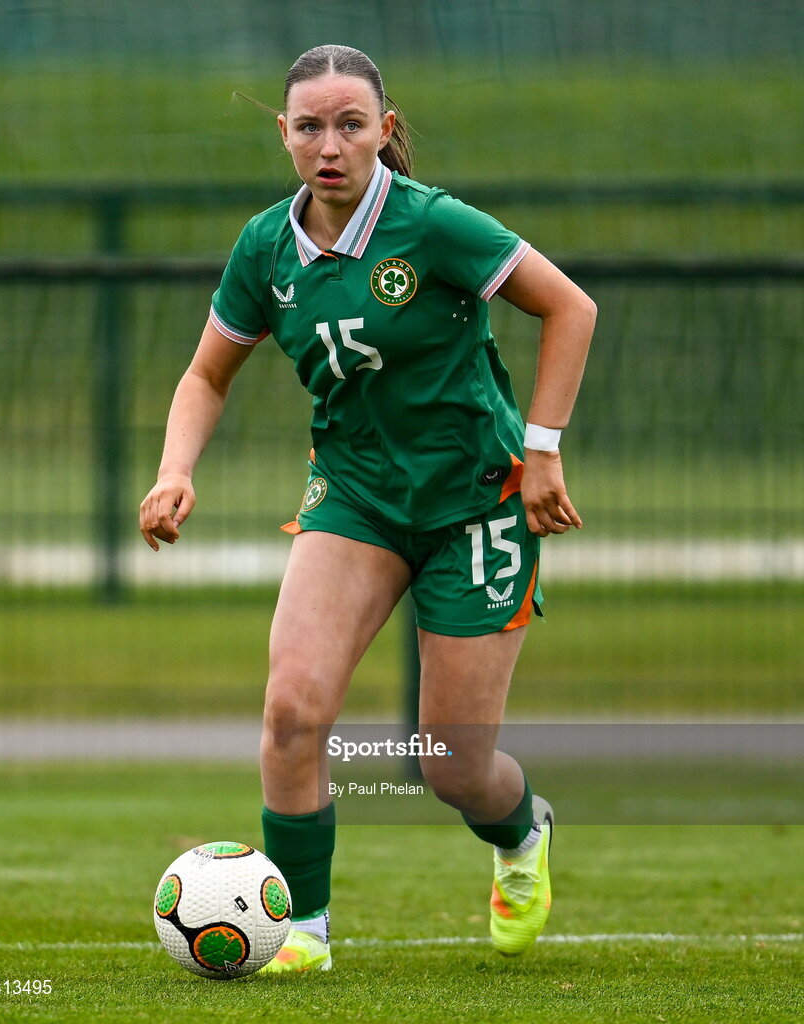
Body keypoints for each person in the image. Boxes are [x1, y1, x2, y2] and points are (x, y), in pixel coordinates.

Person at [139, 43, 596, 973]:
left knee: (452, 768)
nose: (330, 145)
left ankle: (521, 833)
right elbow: (205, 373)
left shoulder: (434, 227)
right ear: (284, 134)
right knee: (292, 711)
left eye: (351, 125)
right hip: (354, 497)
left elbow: (571, 308)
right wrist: (174, 470)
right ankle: (301, 932)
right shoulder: (266, 245)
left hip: (476, 503)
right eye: (309, 126)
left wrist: (543, 452)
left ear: (386, 131)